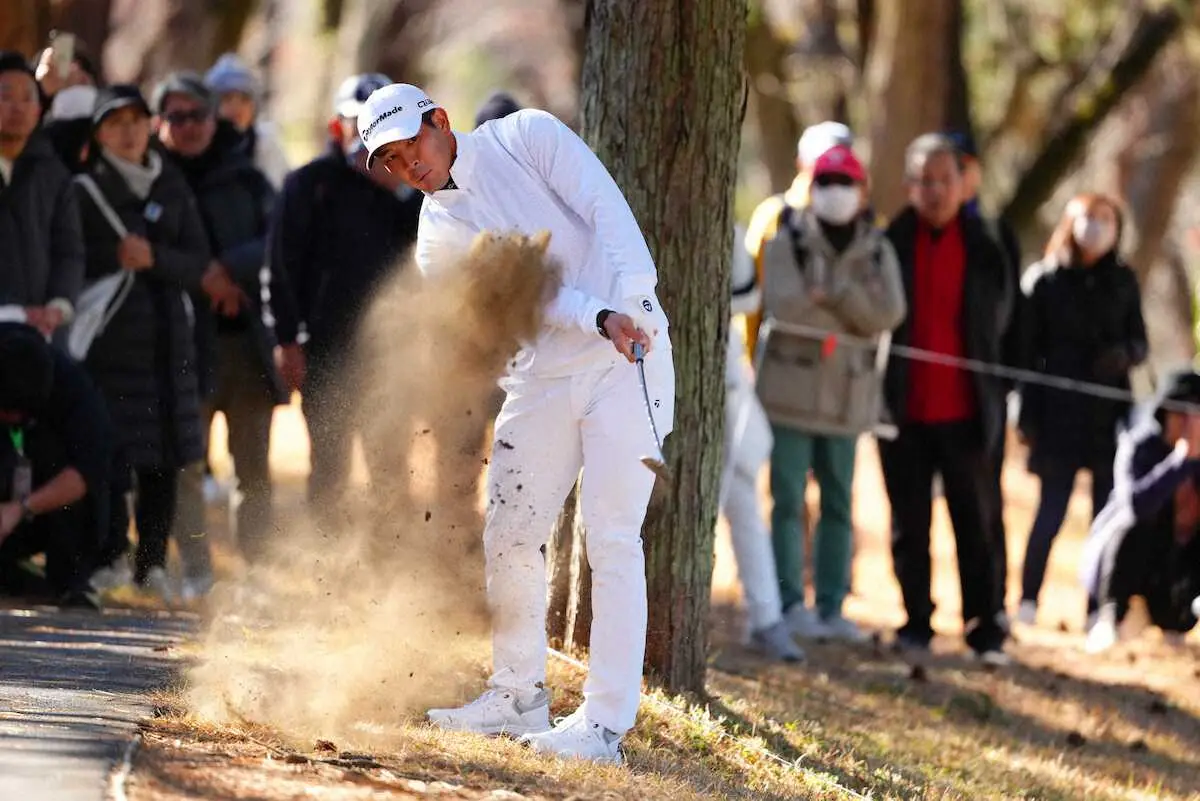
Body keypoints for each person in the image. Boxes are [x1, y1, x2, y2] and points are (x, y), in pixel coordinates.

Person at [358, 83, 674, 762]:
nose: (407, 163)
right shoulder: (436, 239)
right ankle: (517, 695)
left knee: (613, 539)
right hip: (544, 371)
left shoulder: (526, 138)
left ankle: (604, 726)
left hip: (630, 354)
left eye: (411, 142)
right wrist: (595, 314)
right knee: (510, 529)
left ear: (440, 120)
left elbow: (603, 205)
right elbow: (538, 296)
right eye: (389, 158)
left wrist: (633, 296)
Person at [153, 72, 300, 586]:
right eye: (176, 116)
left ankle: (256, 574)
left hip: (246, 349)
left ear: (215, 118)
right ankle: (196, 574)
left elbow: (278, 238)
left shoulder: (246, 176)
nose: (188, 126)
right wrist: (203, 279)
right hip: (179, 346)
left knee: (253, 471)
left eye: (197, 114)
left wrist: (228, 271)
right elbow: (141, 253)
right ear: (160, 123)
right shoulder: (151, 177)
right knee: (186, 467)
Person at [756, 145, 906, 642]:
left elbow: (889, 315)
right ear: (811, 186)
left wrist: (838, 296)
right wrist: (848, 316)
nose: (835, 192)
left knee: (840, 502)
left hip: (848, 397)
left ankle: (832, 607)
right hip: (789, 395)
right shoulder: (787, 239)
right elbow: (785, 304)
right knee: (787, 500)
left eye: (845, 182)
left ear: (863, 191)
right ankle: (786, 601)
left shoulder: (879, 247)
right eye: (826, 181)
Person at [879, 133, 1013, 664]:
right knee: (909, 526)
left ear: (964, 183)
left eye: (943, 180)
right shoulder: (893, 239)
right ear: (910, 186)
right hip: (904, 411)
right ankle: (916, 622)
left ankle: (985, 629)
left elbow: (1008, 324)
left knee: (976, 526)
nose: (933, 190)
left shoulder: (988, 243)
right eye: (923, 181)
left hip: (968, 413)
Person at [76, 85, 210, 599]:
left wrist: (154, 259)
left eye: (136, 120)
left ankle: (151, 564)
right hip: (108, 347)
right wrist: (116, 258)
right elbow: (70, 260)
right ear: (99, 133)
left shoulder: (171, 186)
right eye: (115, 123)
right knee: (111, 456)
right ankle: (108, 556)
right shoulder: (85, 190)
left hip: (168, 346)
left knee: (165, 459)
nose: (128, 131)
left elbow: (198, 263)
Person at [270, 72, 421, 507]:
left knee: (390, 464)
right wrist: (286, 339)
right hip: (325, 349)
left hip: (388, 353)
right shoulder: (308, 184)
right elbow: (280, 267)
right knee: (330, 467)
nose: (371, 137)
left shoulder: (408, 187)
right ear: (339, 126)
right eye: (361, 124)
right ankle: (325, 563)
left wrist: (399, 189)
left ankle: (393, 560)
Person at [1016, 194, 1147, 627]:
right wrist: (1027, 416)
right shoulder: (1045, 281)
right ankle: (1027, 601)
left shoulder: (1124, 281)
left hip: (1107, 415)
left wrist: (1122, 355)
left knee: (1104, 516)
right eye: (1088, 218)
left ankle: (1098, 608)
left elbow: (1140, 343)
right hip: (1057, 414)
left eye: (1105, 219)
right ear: (1069, 222)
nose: (1095, 227)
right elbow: (1025, 357)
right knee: (1050, 511)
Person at [946, 130, 1024, 619]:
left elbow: (1015, 315)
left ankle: (994, 606)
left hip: (984, 396)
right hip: (936, 397)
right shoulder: (918, 232)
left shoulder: (996, 235)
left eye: (964, 166)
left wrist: (1004, 383)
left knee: (986, 506)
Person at [721, 225, 805, 663]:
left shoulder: (727, 230)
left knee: (743, 501)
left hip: (725, 378)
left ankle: (766, 618)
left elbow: (746, 297)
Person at [1080, 370, 1200, 652]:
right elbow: (1136, 506)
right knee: (1134, 524)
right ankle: (1109, 617)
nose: (1189, 422)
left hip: (1173, 574)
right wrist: (1179, 461)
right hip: (1123, 567)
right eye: (1183, 412)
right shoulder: (1140, 446)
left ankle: (1176, 619)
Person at [0, 322, 114, 607]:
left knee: (84, 493)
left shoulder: (75, 388)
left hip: (50, 510)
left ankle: (70, 582)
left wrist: (19, 508)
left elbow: (86, 471)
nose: (13, 420)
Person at [743, 121, 854, 360]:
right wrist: (748, 358)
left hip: (847, 373)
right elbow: (752, 301)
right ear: (801, 163)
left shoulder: (870, 223)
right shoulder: (773, 216)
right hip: (781, 366)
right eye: (822, 159)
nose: (830, 168)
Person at [0, 51, 85, 337]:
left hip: (42, 331)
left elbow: (69, 249)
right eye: (6, 96)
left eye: (28, 98)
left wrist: (58, 305)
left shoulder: (53, 174)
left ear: (39, 112)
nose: (18, 108)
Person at [204, 53, 290, 189]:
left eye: (244, 100)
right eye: (226, 99)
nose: (236, 108)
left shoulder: (265, 146)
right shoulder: (200, 145)